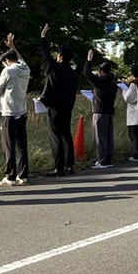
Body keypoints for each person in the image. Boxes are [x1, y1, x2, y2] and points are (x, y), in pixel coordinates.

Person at [0, 33, 31, 186]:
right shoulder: (25, 69)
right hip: (22, 110)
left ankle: (10, 176)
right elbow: (20, 59)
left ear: (6, 61)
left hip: (9, 111)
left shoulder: (8, 71)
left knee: (8, 144)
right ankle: (23, 174)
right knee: (21, 144)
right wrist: (12, 47)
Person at [39, 23, 78, 176]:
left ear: (60, 56)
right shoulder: (72, 73)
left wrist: (43, 38)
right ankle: (70, 165)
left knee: (55, 136)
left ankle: (59, 167)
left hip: (54, 106)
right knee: (66, 134)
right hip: (67, 106)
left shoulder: (53, 68)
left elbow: (45, 55)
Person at [84, 50, 119, 168]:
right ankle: (108, 159)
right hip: (110, 111)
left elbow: (87, 73)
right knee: (109, 137)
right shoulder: (113, 83)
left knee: (100, 137)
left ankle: (102, 160)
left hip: (100, 111)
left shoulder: (100, 81)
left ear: (102, 71)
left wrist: (89, 60)